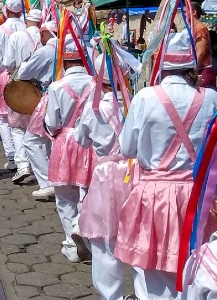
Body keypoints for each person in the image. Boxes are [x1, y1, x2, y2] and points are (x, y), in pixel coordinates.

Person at [116, 30, 217, 299]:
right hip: (198, 197)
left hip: (155, 196)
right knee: (194, 265)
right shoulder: (211, 98)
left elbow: (127, 148)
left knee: (153, 273)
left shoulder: (146, 97)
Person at [74, 53, 137, 299]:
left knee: (104, 240)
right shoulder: (137, 101)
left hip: (106, 176)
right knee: (138, 234)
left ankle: (112, 295)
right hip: (136, 173)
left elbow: (81, 139)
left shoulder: (94, 107)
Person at [45, 38, 96, 263]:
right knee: (87, 192)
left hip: (64, 141)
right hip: (90, 141)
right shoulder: (95, 83)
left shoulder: (56, 87)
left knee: (65, 197)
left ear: (63, 61)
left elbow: (53, 121)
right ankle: (83, 232)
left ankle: (71, 243)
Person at [19, 20, 58, 201]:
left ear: (44, 34)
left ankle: (46, 183)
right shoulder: (73, 47)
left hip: (50, 98)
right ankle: (57, 179)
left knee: (31, 140)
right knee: (52, 141)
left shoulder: (45, 51)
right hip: (73, 98)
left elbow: (23, 75)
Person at [4, 8, 43, 183]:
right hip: (41, 88)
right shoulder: (49, 39)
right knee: (39, 129)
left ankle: (22, 165)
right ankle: (40, 166)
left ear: (26, 19)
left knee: (17, 128)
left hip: (20, 86)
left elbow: (8, 63)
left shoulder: (16, 37)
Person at [0, 0, 27, 170]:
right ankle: (27, 157)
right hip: (28, 76)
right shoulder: (29, 27)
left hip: (8, 75)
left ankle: (13, 157)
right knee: (25, 118)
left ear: (6, 10)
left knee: (4, 118)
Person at [193, 2, 215, 88]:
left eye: (185, 12)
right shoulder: (193, 28)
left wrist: (194, 70)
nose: (184, 15)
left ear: (194, 12)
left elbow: (200, 52)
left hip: (203, 70)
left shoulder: (200, 29)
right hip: (199, 70)